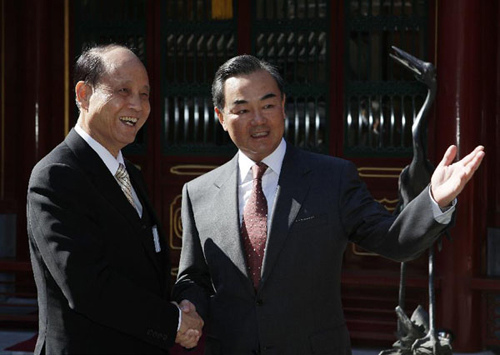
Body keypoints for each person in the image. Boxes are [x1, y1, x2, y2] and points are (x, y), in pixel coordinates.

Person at [172, 54, 485, 354]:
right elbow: (193, 277)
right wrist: (189, 308)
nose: (258, 120)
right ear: (220, 116)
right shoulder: (198, 193)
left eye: (268, 105)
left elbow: (393, 239)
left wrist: (435, 200)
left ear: (283, 106)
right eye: (242, 109)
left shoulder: (331, 178)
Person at [27, 44, 203, 354]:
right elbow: (87, 287)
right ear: (83, 94)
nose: (136, 105)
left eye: (145, 94)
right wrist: (172, 322)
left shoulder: (131, 174)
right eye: (123, 90)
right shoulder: (56, 176)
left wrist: (181, 307)